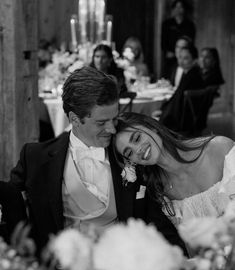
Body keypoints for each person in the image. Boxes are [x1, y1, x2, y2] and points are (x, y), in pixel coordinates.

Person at [10, 67, 187, 255]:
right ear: (74, 119)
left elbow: (156, 219)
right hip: (62, 269)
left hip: (123, 266)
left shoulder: (127, 152)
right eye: (101, 123)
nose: (111, 129)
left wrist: (180, 261)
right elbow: (8, 203)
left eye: (114, 119)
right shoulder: (35, 157)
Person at [114, 112, 235, 228]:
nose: (138, 150)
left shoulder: (220, 149)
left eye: (137, 138)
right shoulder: (158, 192)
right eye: (129, 152)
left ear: (151, 126)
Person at [160, 44, 204, 134]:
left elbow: (178, 104)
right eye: (180, 57)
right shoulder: (189, 74)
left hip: (183, 122)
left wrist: (164, 113)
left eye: (186, 58)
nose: (181, 61)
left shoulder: (192, 77)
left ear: (194, 60)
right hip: (184, 118)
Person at [161, 0, 196, 79]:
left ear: (184, 9)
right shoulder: (167, 24)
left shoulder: (189, 25)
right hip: (170, 56)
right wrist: (170, 52)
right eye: (176, 7)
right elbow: (163, 42)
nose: (178, 9)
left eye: (181, 7)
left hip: (185, 54)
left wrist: (184, 53)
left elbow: (191, 42)